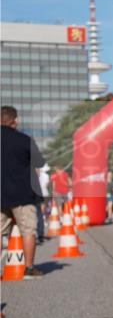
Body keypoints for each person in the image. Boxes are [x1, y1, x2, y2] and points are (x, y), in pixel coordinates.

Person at [1, 106, 46, 278]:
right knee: (28, 230)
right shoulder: (24, 139)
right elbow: (40, 163)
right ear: (15, 120)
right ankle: (29, 268)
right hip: (22, 194)